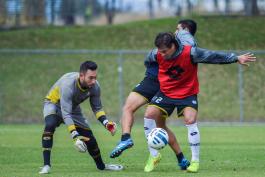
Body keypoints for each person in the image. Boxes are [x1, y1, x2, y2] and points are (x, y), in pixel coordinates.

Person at [144, 32, 256, 173]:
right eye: (160, 51)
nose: (162, 54)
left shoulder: (191, 53)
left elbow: (213, 56)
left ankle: (195, 161)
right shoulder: (156, 54)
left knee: (190, 119)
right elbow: (148, 62)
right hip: (166, 93)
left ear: (173, 46)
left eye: (165, 51)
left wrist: (235, 58)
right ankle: (154, 155)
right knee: (149, 114)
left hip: (187, 93)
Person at [110, 19, 197, 172]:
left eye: (178, 28)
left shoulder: (185, 40)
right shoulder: (173, 44)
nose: (175, 31)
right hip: (157, 80)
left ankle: (132, 141)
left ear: (184, 29)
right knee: (158, 124)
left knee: (135, 111)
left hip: (160, 82)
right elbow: (153, 56)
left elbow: (191, 53)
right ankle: (180, 158)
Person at [39, 61, 123, 174]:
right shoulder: (68, 85)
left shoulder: (95, 86)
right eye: (90, 78)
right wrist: (75, 136)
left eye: (95, 77)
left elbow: (97, 108)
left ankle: (102, 166)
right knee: (50, 124)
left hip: (72, 109)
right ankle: (46, 165)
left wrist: (106, 123)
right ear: (81, 75)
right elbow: (66, 113)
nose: (94, 81)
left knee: (90, 139)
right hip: (53, 104)